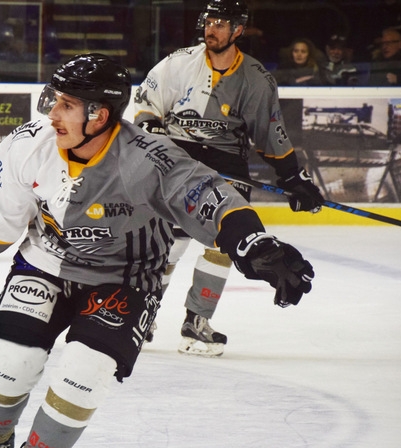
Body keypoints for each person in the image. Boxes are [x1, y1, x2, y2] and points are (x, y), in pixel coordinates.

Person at [0, 53, 315, 448]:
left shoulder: (148, 156)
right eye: (55, 100)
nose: (52, 112)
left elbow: (205, 194)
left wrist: (254, 242)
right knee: (11, 361)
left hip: (126, 277)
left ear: (99, 113)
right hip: (45, 262)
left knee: (85, 372)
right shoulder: (29, 145)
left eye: (67, 104)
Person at [133, 0, 324, 357]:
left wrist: (293, 178)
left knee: (222, 243)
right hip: (178, 153)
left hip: (227, 160)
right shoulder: (178, 62)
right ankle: (143, 313)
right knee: (167, 240)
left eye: (222, 24)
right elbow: (146, 103)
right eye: (210, 22)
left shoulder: (255, 78)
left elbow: (270, 134)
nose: (212, 29)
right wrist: (150, 126)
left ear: (238, 30)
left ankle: (196, 322)